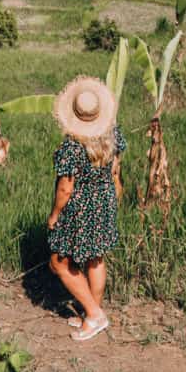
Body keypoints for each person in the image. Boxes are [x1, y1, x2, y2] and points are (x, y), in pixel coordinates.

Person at [47, 76, 126, 342]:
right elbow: (116, 172)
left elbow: (65, 189)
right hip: (105, 200)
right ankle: (92, 311)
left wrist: (55, 215)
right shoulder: (113, 133)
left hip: (81, 207)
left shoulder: (72, 145)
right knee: (96, 258)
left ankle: (94, 315)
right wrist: (113, 201)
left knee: (58, 262)